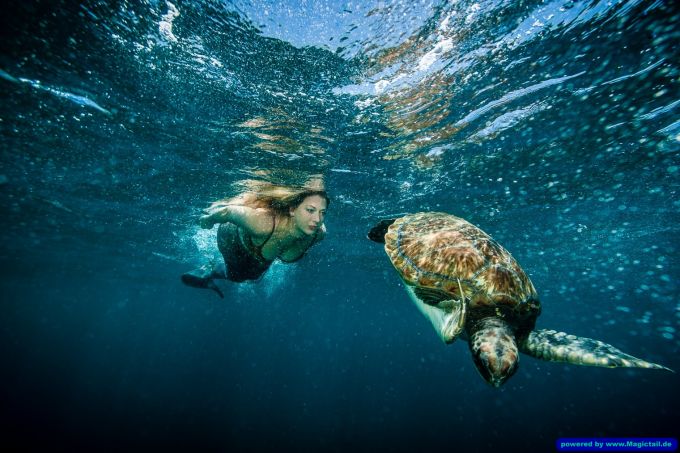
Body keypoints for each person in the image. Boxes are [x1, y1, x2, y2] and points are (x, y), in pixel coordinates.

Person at [181, 180, 329, 298]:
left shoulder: (318, 234)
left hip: (260, 251)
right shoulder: (265, 224)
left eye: (322, 212)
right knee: (240, 276)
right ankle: (209, 270)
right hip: (232, 238)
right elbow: (228, 212)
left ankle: (210, 271)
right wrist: (208, 220)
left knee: (254, 276)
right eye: (310, 210)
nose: (317, 219)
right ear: (292, 209)